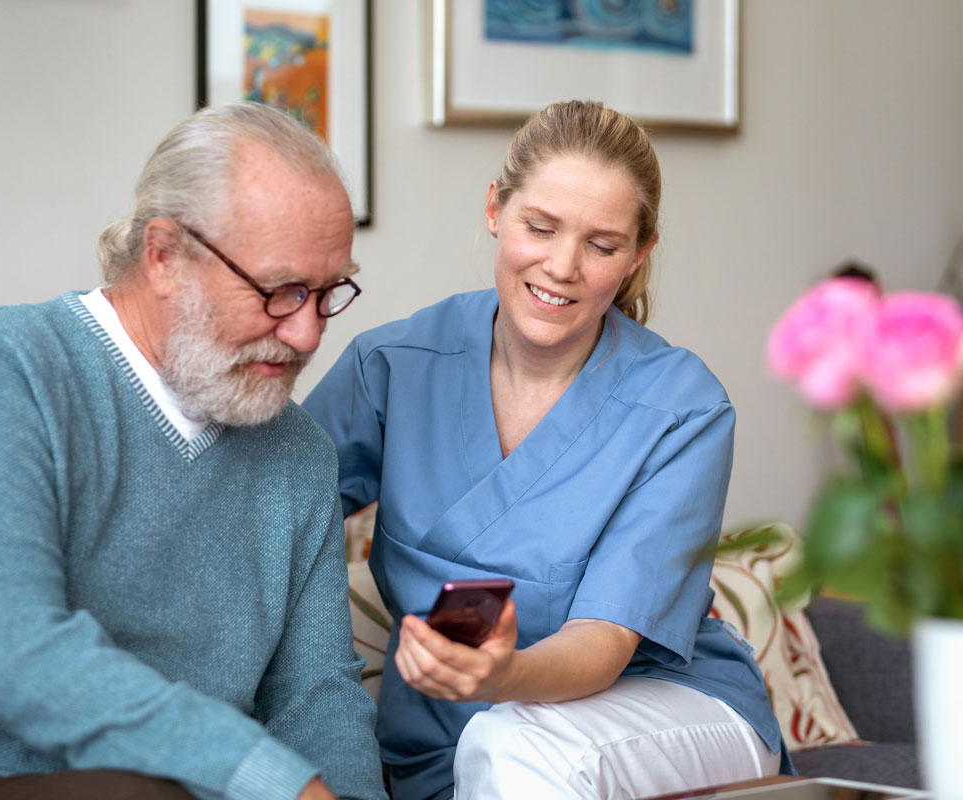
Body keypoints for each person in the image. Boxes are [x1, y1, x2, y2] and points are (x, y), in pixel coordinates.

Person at [302, 100, 792, 800]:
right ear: (496, 209)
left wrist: (503, 678)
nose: (562, 267)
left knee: (511, 744)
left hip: (667, 709)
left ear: (638, 254)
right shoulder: (394, 366)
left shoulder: (680, 407)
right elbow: (266, 511)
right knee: (496, 745)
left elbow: (604, 643)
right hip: (445, 738)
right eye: (541, 227)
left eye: (602, 245)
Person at [0, 102, 385, 800]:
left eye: (326, 292)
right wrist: (267, 779)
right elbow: (15, 652)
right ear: (164, 256)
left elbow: (317, 694)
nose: (309, 335)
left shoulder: (299, 452)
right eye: (281, 291)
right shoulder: (0, 371)